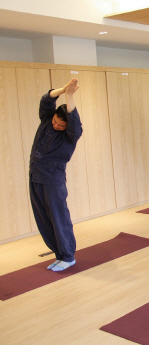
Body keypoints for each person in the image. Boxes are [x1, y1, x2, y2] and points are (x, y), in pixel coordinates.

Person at [29, 78, 83, 272]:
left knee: (58, 216)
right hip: (35, 174)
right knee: (43, 216)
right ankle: (59, 254)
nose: (56, 126)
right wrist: (62, 90)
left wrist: (69, 96)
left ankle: (68, 255)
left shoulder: (71, 134)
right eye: (55, 122)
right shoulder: (46, 120)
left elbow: (75, 124)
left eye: (61, 124)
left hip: (53, 176)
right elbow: (46, 101)